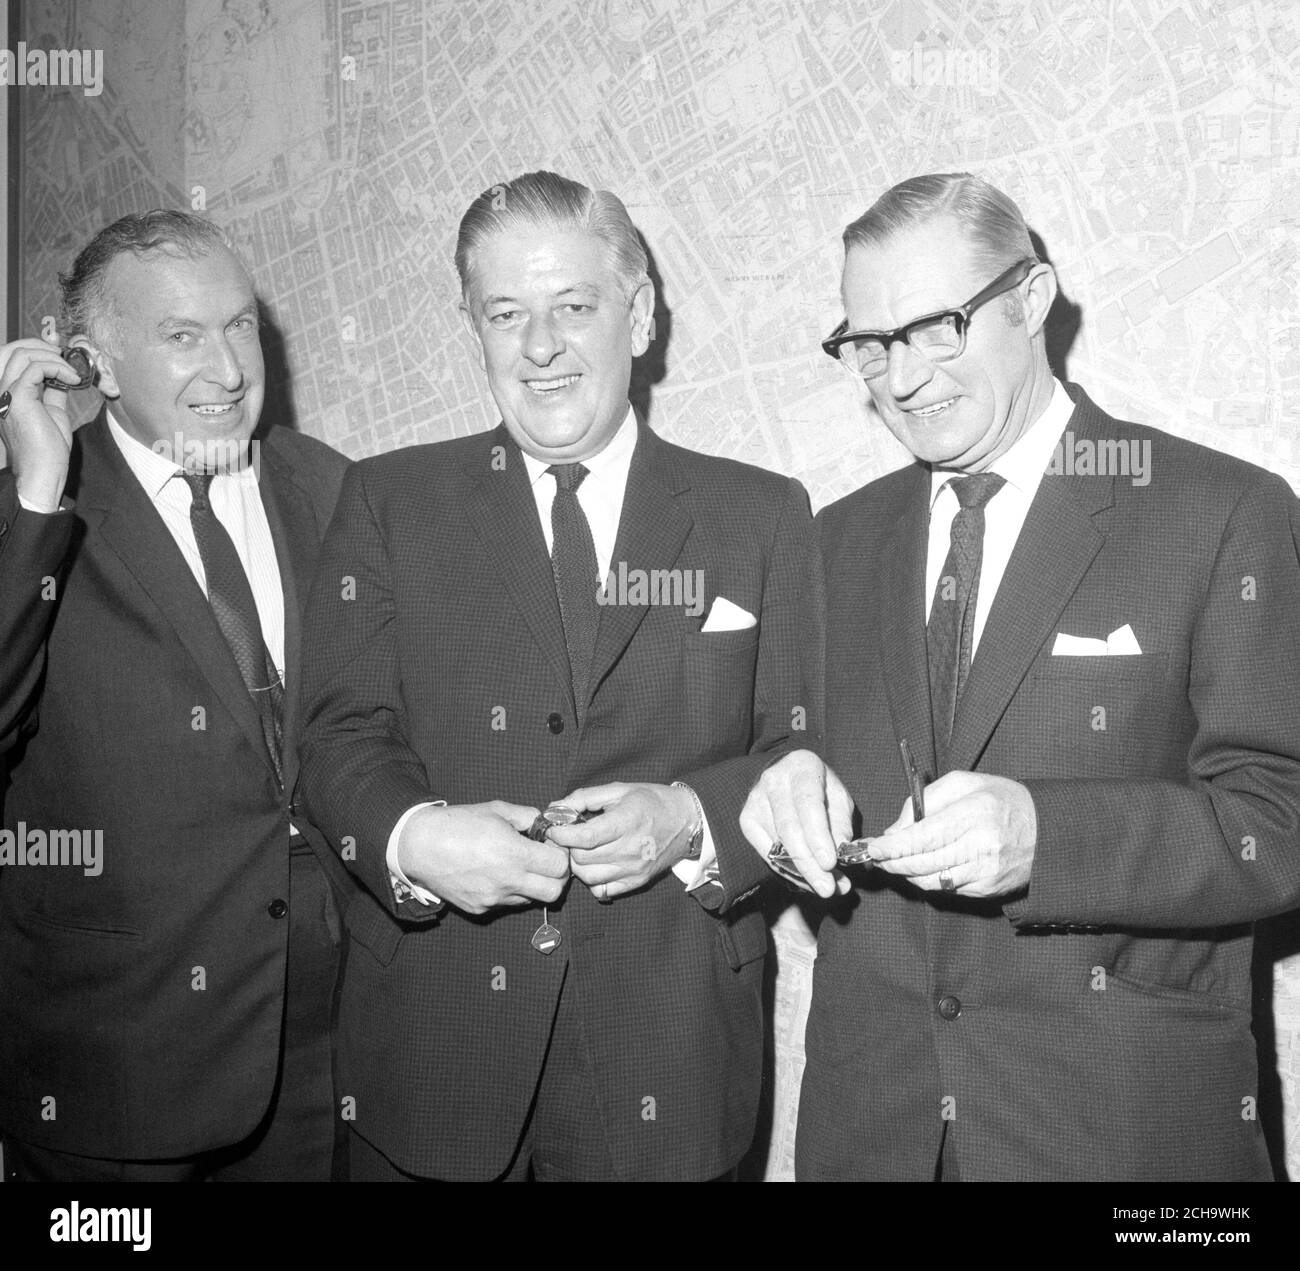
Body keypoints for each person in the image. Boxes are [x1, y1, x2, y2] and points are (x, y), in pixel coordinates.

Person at [742, 173, 1300, 1181]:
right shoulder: (825, 546)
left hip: (1122, 1142)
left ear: (1032, 298)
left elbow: (1281, 821)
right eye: (869, 345)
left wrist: (1049, 837)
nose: (901, 379)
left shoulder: (1221, 514)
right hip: (872, 1135)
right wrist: (774, 785)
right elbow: (780, 755)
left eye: (937, 327)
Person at [297, 170, 815, 1181]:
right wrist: (414, 835)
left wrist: (688, 814)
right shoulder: (386, 500)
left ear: (641, 315)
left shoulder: (762, 514)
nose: (539, 347)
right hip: (429, 1056)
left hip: (672, 1054)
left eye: (574, 307)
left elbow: (804, 746)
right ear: (473, 325)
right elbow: (331, 738)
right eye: (505, 313)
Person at [0, 211, 351, 1181]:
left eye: (240, 326)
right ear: (94, 363)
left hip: (320, 1059)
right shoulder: (31, 513)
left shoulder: (329, 488)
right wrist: (34, 493)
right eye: (183, 335)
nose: (230, 369)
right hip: (115, 1069)